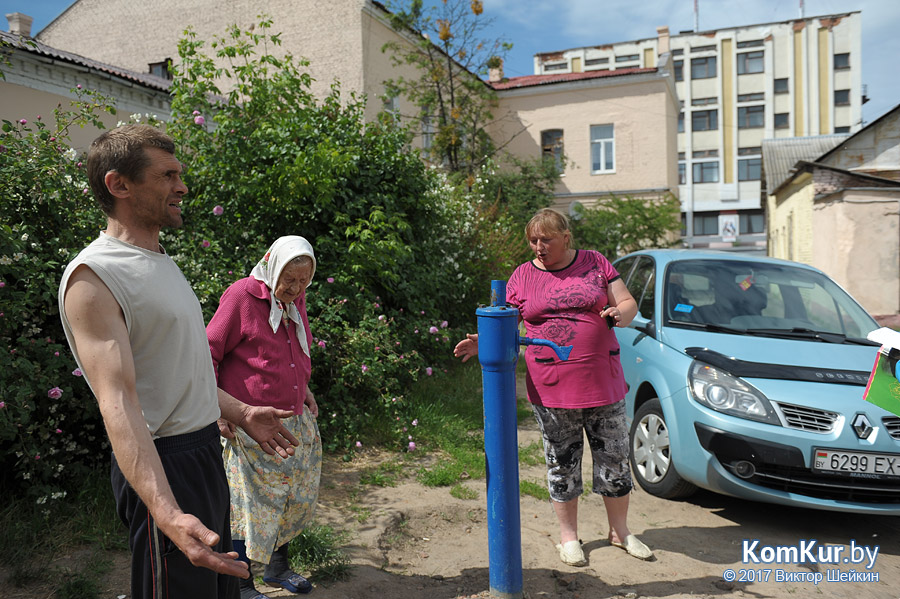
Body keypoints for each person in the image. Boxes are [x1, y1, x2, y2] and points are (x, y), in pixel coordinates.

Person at [58, 124, 301, 599]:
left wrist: (242, 412)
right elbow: (119, 402)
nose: (182, 186)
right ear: (119, 184)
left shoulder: (159, 261)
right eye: (168, 175)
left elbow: (181, 372)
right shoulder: (95, 276)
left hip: (204, 453)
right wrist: (167, 513)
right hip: (163, 463)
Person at [453, 208, 652, 567]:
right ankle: (568, 537)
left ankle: (620, 531)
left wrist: (621, 313)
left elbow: (627, 301)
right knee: (562, 461)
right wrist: (482, 341)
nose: (539, 246)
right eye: (533, 240)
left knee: (615, 458)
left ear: (565, 237)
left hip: (602, 381)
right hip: (552, 386)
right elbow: (506, 323)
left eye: (546, 239)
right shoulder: (523, 276)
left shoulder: (595, 263)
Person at [207, 236, 322, 599]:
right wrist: (218, 412)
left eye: (304, 280)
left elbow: (291, 351)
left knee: (291, 495)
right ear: (272, 266)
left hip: (292, 418)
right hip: (250, 422)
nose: (296, 288)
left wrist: (303, 387)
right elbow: (206, 353)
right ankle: (240, 583)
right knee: (248, 503)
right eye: (289, 279)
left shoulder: (294, 298)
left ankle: (277, 568)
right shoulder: (243, 296)